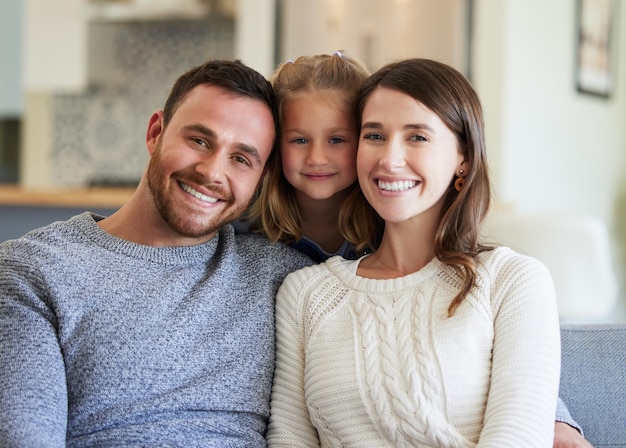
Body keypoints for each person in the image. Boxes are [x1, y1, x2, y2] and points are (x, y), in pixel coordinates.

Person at [0, 59, 313, 447]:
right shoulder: (33, 271)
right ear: (155, 133)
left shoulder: (287, 279)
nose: (212, 172)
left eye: (241, 159)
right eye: (199, 141)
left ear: (260, 179)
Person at [266, 58, 562, 446]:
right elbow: (289, 437)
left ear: (464, 158)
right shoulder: (303, 294)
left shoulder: (512, 281)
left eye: (417, 137)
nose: (389, 159)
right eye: (374, 136)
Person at [243, 51, 381, 263]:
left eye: (336, 140)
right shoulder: (244, 222)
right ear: (275, 143)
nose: (316, 158)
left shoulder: (386, 224)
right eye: (300, 140)